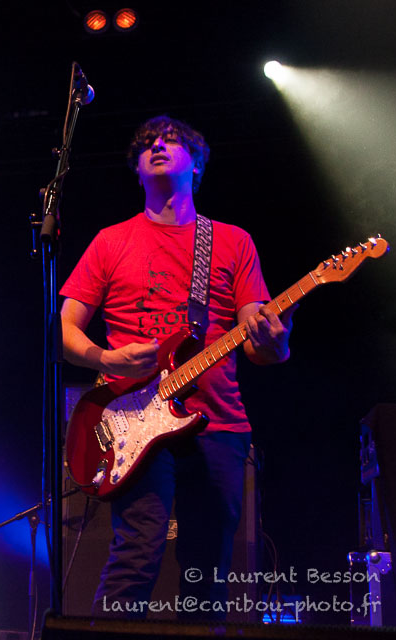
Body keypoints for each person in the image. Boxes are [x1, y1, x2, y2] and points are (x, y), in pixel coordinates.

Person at [60, 115, 294, 620]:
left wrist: (275, 341)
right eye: (147, 143)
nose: (158, 145)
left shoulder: (232, 241)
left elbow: (258, 345)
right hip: (135, 422)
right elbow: (65, 330)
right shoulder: (110, 241)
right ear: (137, 169)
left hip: (219, 423)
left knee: (206, 572)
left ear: (198, 163)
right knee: (135, 555)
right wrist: (105, 358)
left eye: (172, 140)